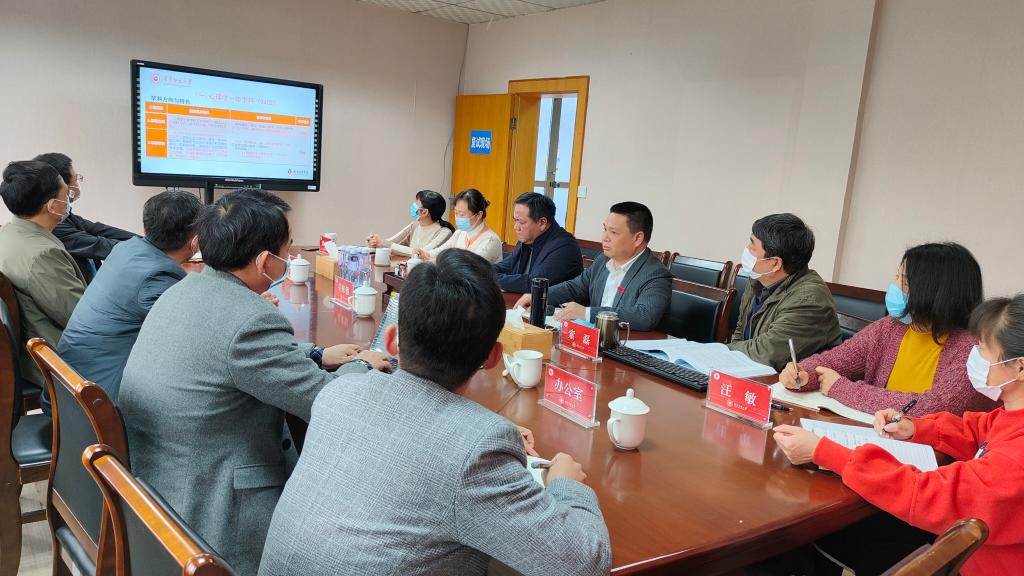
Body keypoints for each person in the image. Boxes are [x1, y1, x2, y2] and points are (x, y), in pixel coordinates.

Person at [258, 249, 612, 576]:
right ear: (493, 356)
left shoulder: (339, 392)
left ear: (392, 340)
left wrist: (474, 432)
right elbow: (586, 564)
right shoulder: (478, 451)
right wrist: (565, 483)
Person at [118, 188, 390, 576]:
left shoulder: (184, 288)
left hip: (157, 485)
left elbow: (225, 353)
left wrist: (315, 354)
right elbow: (328, 403)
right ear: (264, 261)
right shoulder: (250, 320)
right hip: (212, 508)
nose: (289, 259)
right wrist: (364, 362)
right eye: (287, 250)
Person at [774, 294, 1024, 575]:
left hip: (969, 564)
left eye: (983, 348)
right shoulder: (1012, 412)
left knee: (829, 538)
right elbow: (978, 430)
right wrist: (918, 428)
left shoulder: (1017, 457)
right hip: (961, 545)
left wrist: (825, 452)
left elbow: (931, 494)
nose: (974, 355)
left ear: (1020, 367)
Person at [780, 242, 996, 417]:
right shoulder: (890, 327)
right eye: (897, 277)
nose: (894, 287)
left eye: (905, 282)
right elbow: (833, 361)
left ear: (935, 293)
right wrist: (803, 373)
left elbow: (932, 408)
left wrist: (841, 389)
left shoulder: (975, 349)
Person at [56, 189, 204, 402]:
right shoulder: (157, 277)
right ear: (195, 241)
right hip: (96, 402)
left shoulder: (127, 249)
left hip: (71, 383)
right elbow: (193, 338)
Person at [513, 201, 671, 331]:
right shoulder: (603, 260)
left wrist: (586, 313)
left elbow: (644, 316)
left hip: (626, 346)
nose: (604, 238)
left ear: (637, 239)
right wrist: (540, 295)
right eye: (605, 229)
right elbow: (575, 287)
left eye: (613, 232)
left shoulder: (655, 273)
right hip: (592, 341)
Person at [0, 160, 85, 395]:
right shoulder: (43, 255)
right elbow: (80, 318)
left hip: (26, 357)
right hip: (57, 363)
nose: (70, 199)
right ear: (52, 206)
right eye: (66, 194)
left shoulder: (8, 234)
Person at [726, 213, 841, 369]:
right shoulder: (758, 279)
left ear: (775, 263)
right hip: (753, 371)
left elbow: (766, 353)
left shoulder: (809, 301)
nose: (747, 249)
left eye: (752, 245)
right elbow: (741, 330)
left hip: (790, 381)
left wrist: (720, 352)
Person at [34, 153, 136, 283]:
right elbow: (100, 246)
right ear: (63, 187)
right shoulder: (54, 225)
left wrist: (146, 241)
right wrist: (147, 248)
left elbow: (100, 229)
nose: (78, 182)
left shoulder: (64, 216)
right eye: (76, 178)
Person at [494, 192, 583, 293]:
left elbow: (534, 283)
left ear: (542, 223)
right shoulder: (527, 240)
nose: (516, 227)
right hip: (523, 300)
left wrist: (490, 278)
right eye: (515, 220)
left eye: (521, 222)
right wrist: (482, 272)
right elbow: (506, 266)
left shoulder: (565, 247)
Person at [414, 188, 502, 263]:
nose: (458, 218)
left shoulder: (491, 240)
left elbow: (467, 267)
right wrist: (424, 253)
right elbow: (440, 251)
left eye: (462, 214)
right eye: (456, 213)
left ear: (479, 215)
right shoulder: (460, 233)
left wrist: (434, 261)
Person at [366, 189, 453, 256]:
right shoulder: (414, 226)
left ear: (425, 212)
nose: (413, 206)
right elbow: (391, 243)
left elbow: (421, 253)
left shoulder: (444, 232)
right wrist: (374, 243)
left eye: (416, 204)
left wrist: (383, 243)